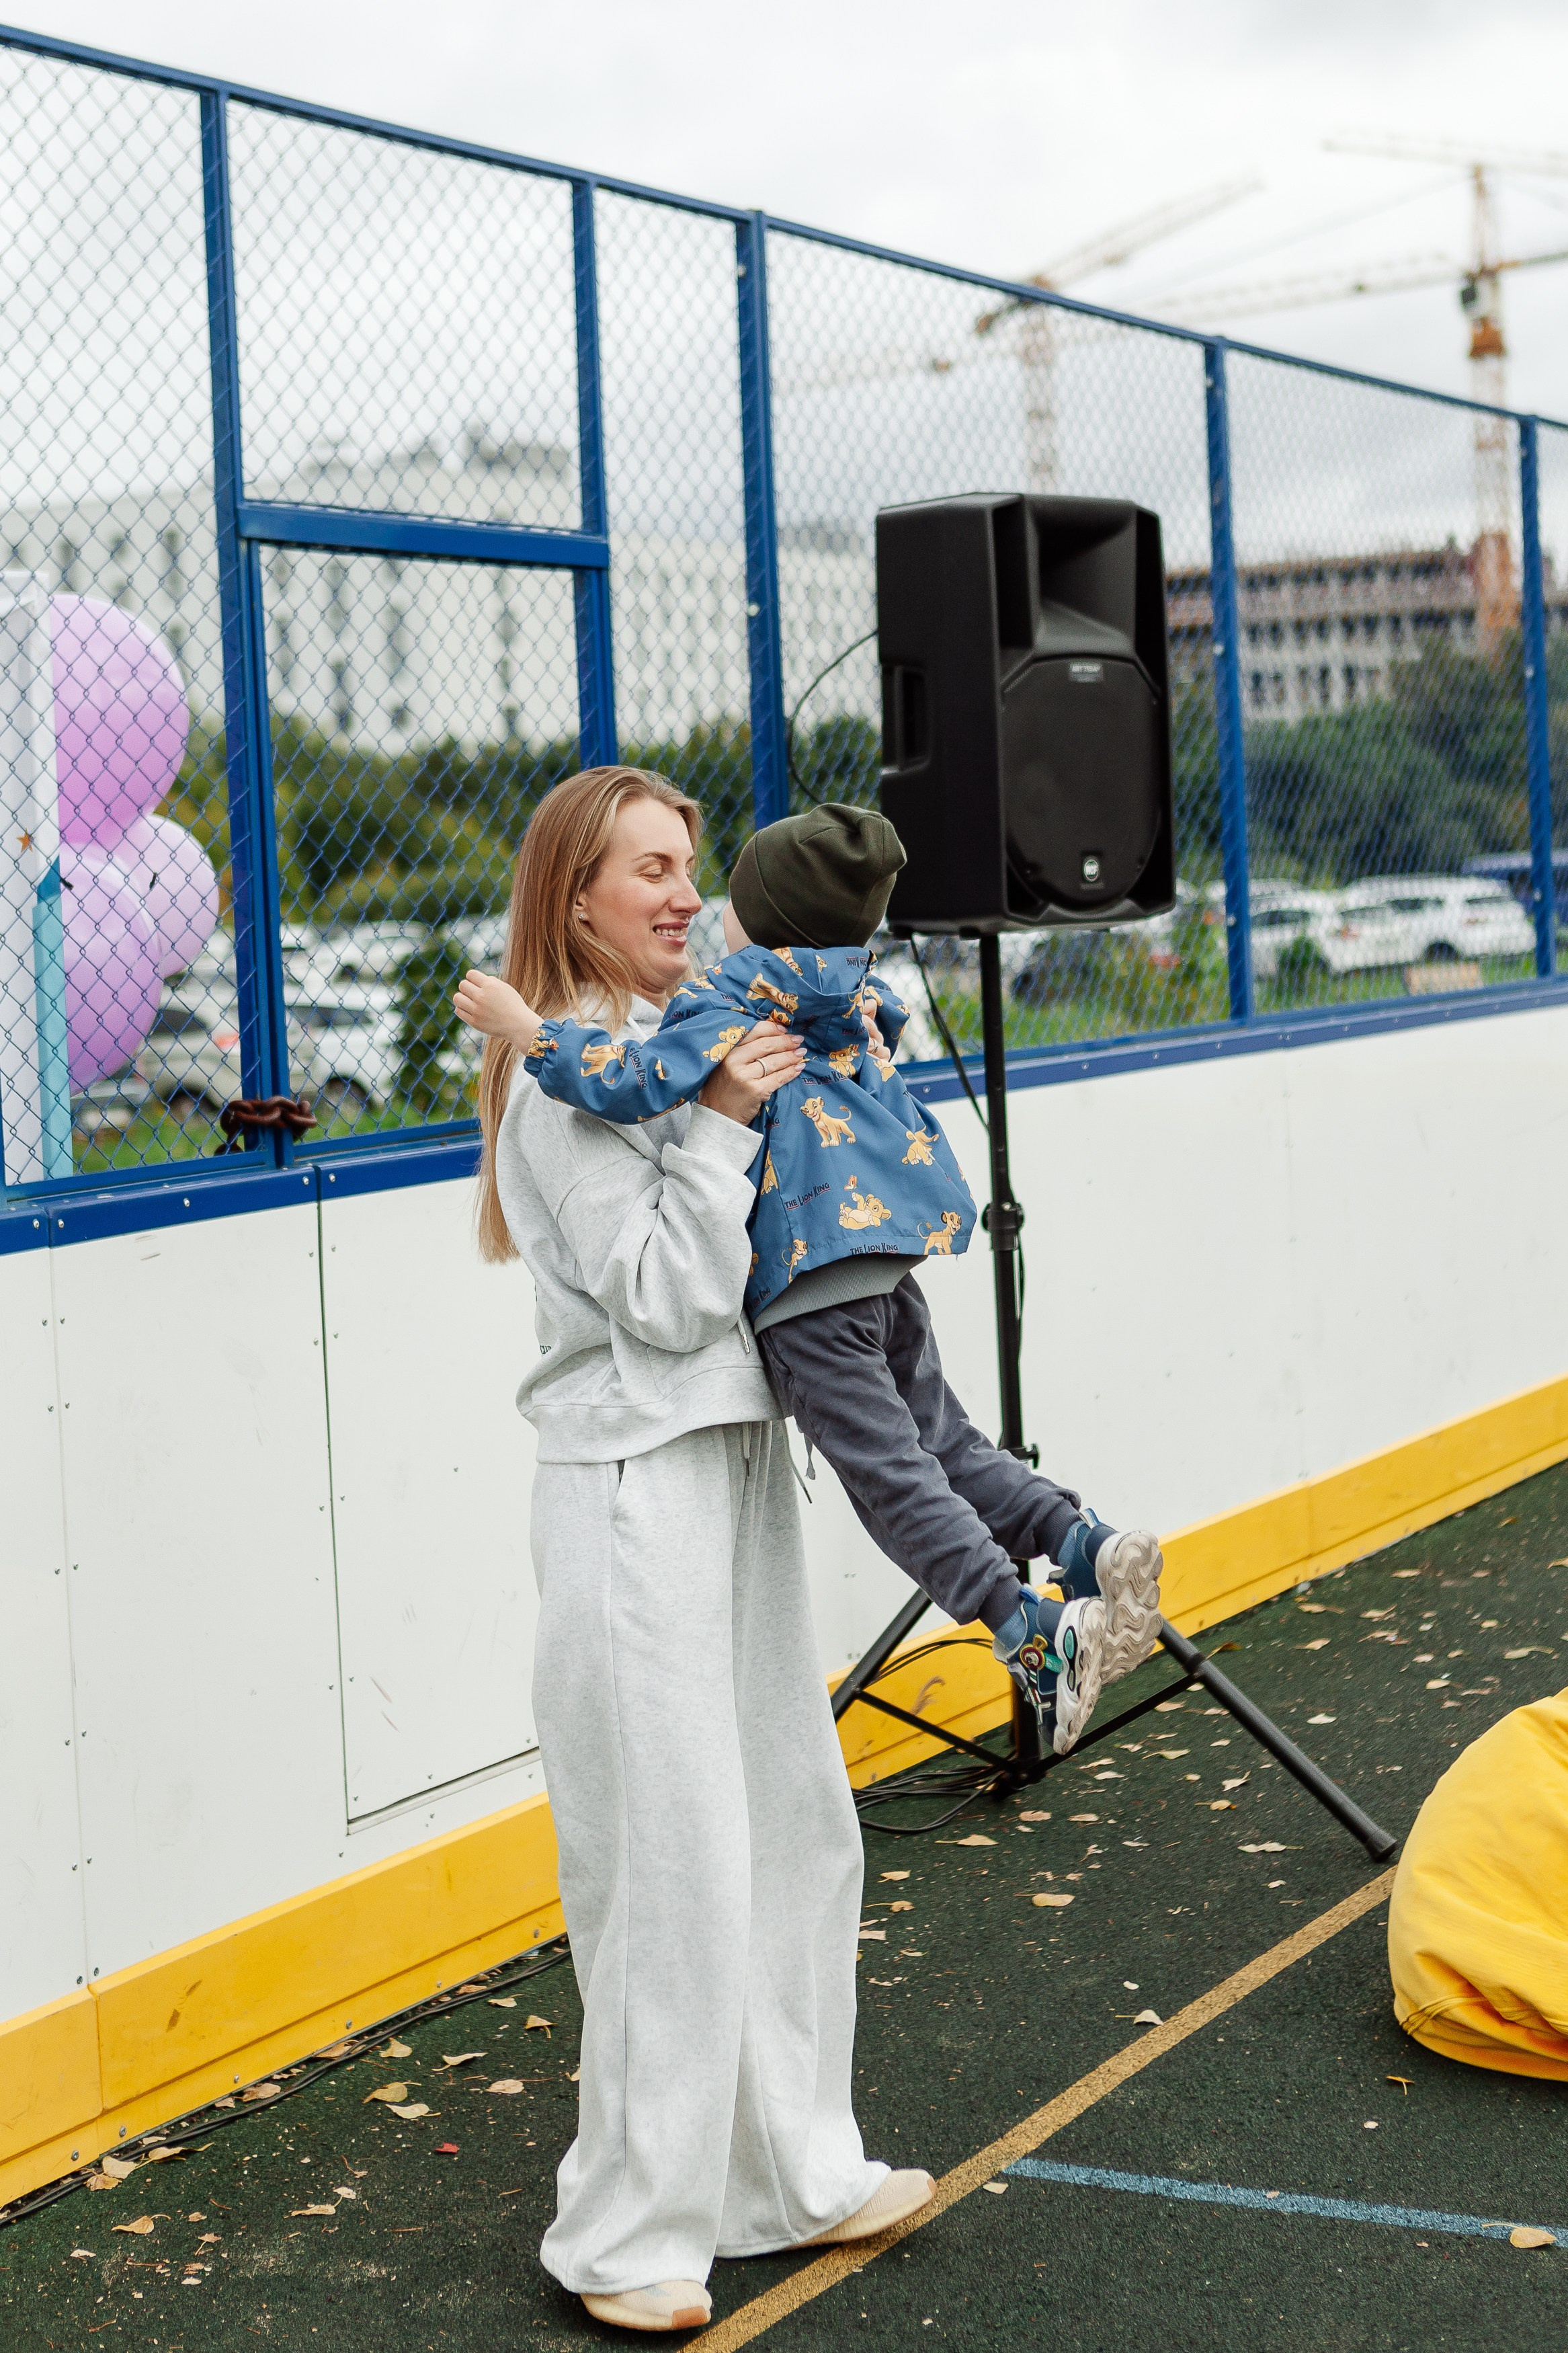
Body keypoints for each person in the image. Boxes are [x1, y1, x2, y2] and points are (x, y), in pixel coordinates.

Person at [472, 768, 934, 2336]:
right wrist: (729, 1119)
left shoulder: (680, 1045)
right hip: (629, 1486)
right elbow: (668, 1295)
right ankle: (625, 2230)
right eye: (650, 872)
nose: (687, 895)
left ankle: (792, 2174)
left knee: (797, 1831)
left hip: (732, 1466)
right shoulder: (561, 1085)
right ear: (577, 899)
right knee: (665, 1869)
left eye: (689, 868)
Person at [458, 802, 1165, 1761]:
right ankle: (1074, 1534)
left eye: (710, 881)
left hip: (808, 1286)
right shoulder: (848, 985)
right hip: (882, 1261)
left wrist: (525, 1031)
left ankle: (1024, 1629)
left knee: (891, 1476)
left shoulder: (731, 1001)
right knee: (942, 1440)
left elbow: (624, 1077)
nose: (701, 902)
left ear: (764, 916)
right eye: (657, 870)